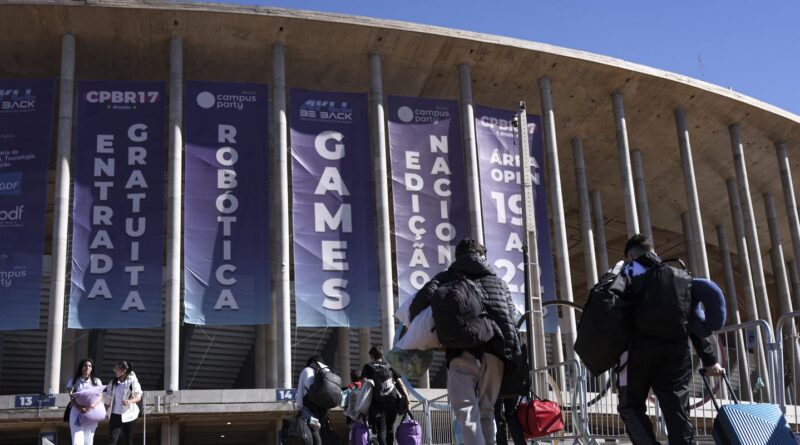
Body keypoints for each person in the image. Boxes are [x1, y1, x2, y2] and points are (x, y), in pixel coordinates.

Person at [409, 239, 521, 445]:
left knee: (466, 412)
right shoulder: (498, 283)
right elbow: (512, 318)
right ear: (482, 256)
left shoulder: (446, 277)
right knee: (486, 410)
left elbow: (418, 304)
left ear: (458, 256)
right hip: (495, 352)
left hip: (461, 350)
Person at [616, 234, 723, 445]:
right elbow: (693, 322)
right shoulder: (682, 276)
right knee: (676, 411)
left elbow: (613, 315)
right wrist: (710, 359)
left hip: (637, 355)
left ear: (630, 255)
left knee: (630, 406)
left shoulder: (626, 275)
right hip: (676, 354)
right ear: (652, 251)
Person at [360, 345, 411, 445]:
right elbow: (400, 384)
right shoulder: (390, 367)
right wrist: (407, 400)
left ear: (371, 356)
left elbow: (364, 384)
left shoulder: (368, 367)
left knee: (381, 431)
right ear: (382, 355)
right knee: (390, 429)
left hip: (378, 404)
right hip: (392, 403)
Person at [104, 361, 142, 445]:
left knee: (127, 439)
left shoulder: (132, 382)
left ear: (124, 370)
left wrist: (129, 401)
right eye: (114, 368)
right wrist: (105, 412)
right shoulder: (113, 383)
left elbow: (138, 396)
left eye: (117, 369)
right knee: (112, 440)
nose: (114, 370)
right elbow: (107, 399)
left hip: (129, 415)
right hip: (115, 415)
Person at [66, 358, 103, 445]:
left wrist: (91, 406)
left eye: (89, 366)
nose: (87, 367)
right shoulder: (74, 381)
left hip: (91, 413)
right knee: (77, 439)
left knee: (88, 440)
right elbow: (71, 397)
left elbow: (100, 396)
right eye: (85, 366)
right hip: (76, 412)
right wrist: (78, 407)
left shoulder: (96, 381)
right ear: (81, 368)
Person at [296, 355, 329, 445]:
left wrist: (299, 409)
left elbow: (300, 392)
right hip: (324, 408)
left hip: (310, 406)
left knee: (313, 431)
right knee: (319, 430)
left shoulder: (306, 371)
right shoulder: (327, 371)